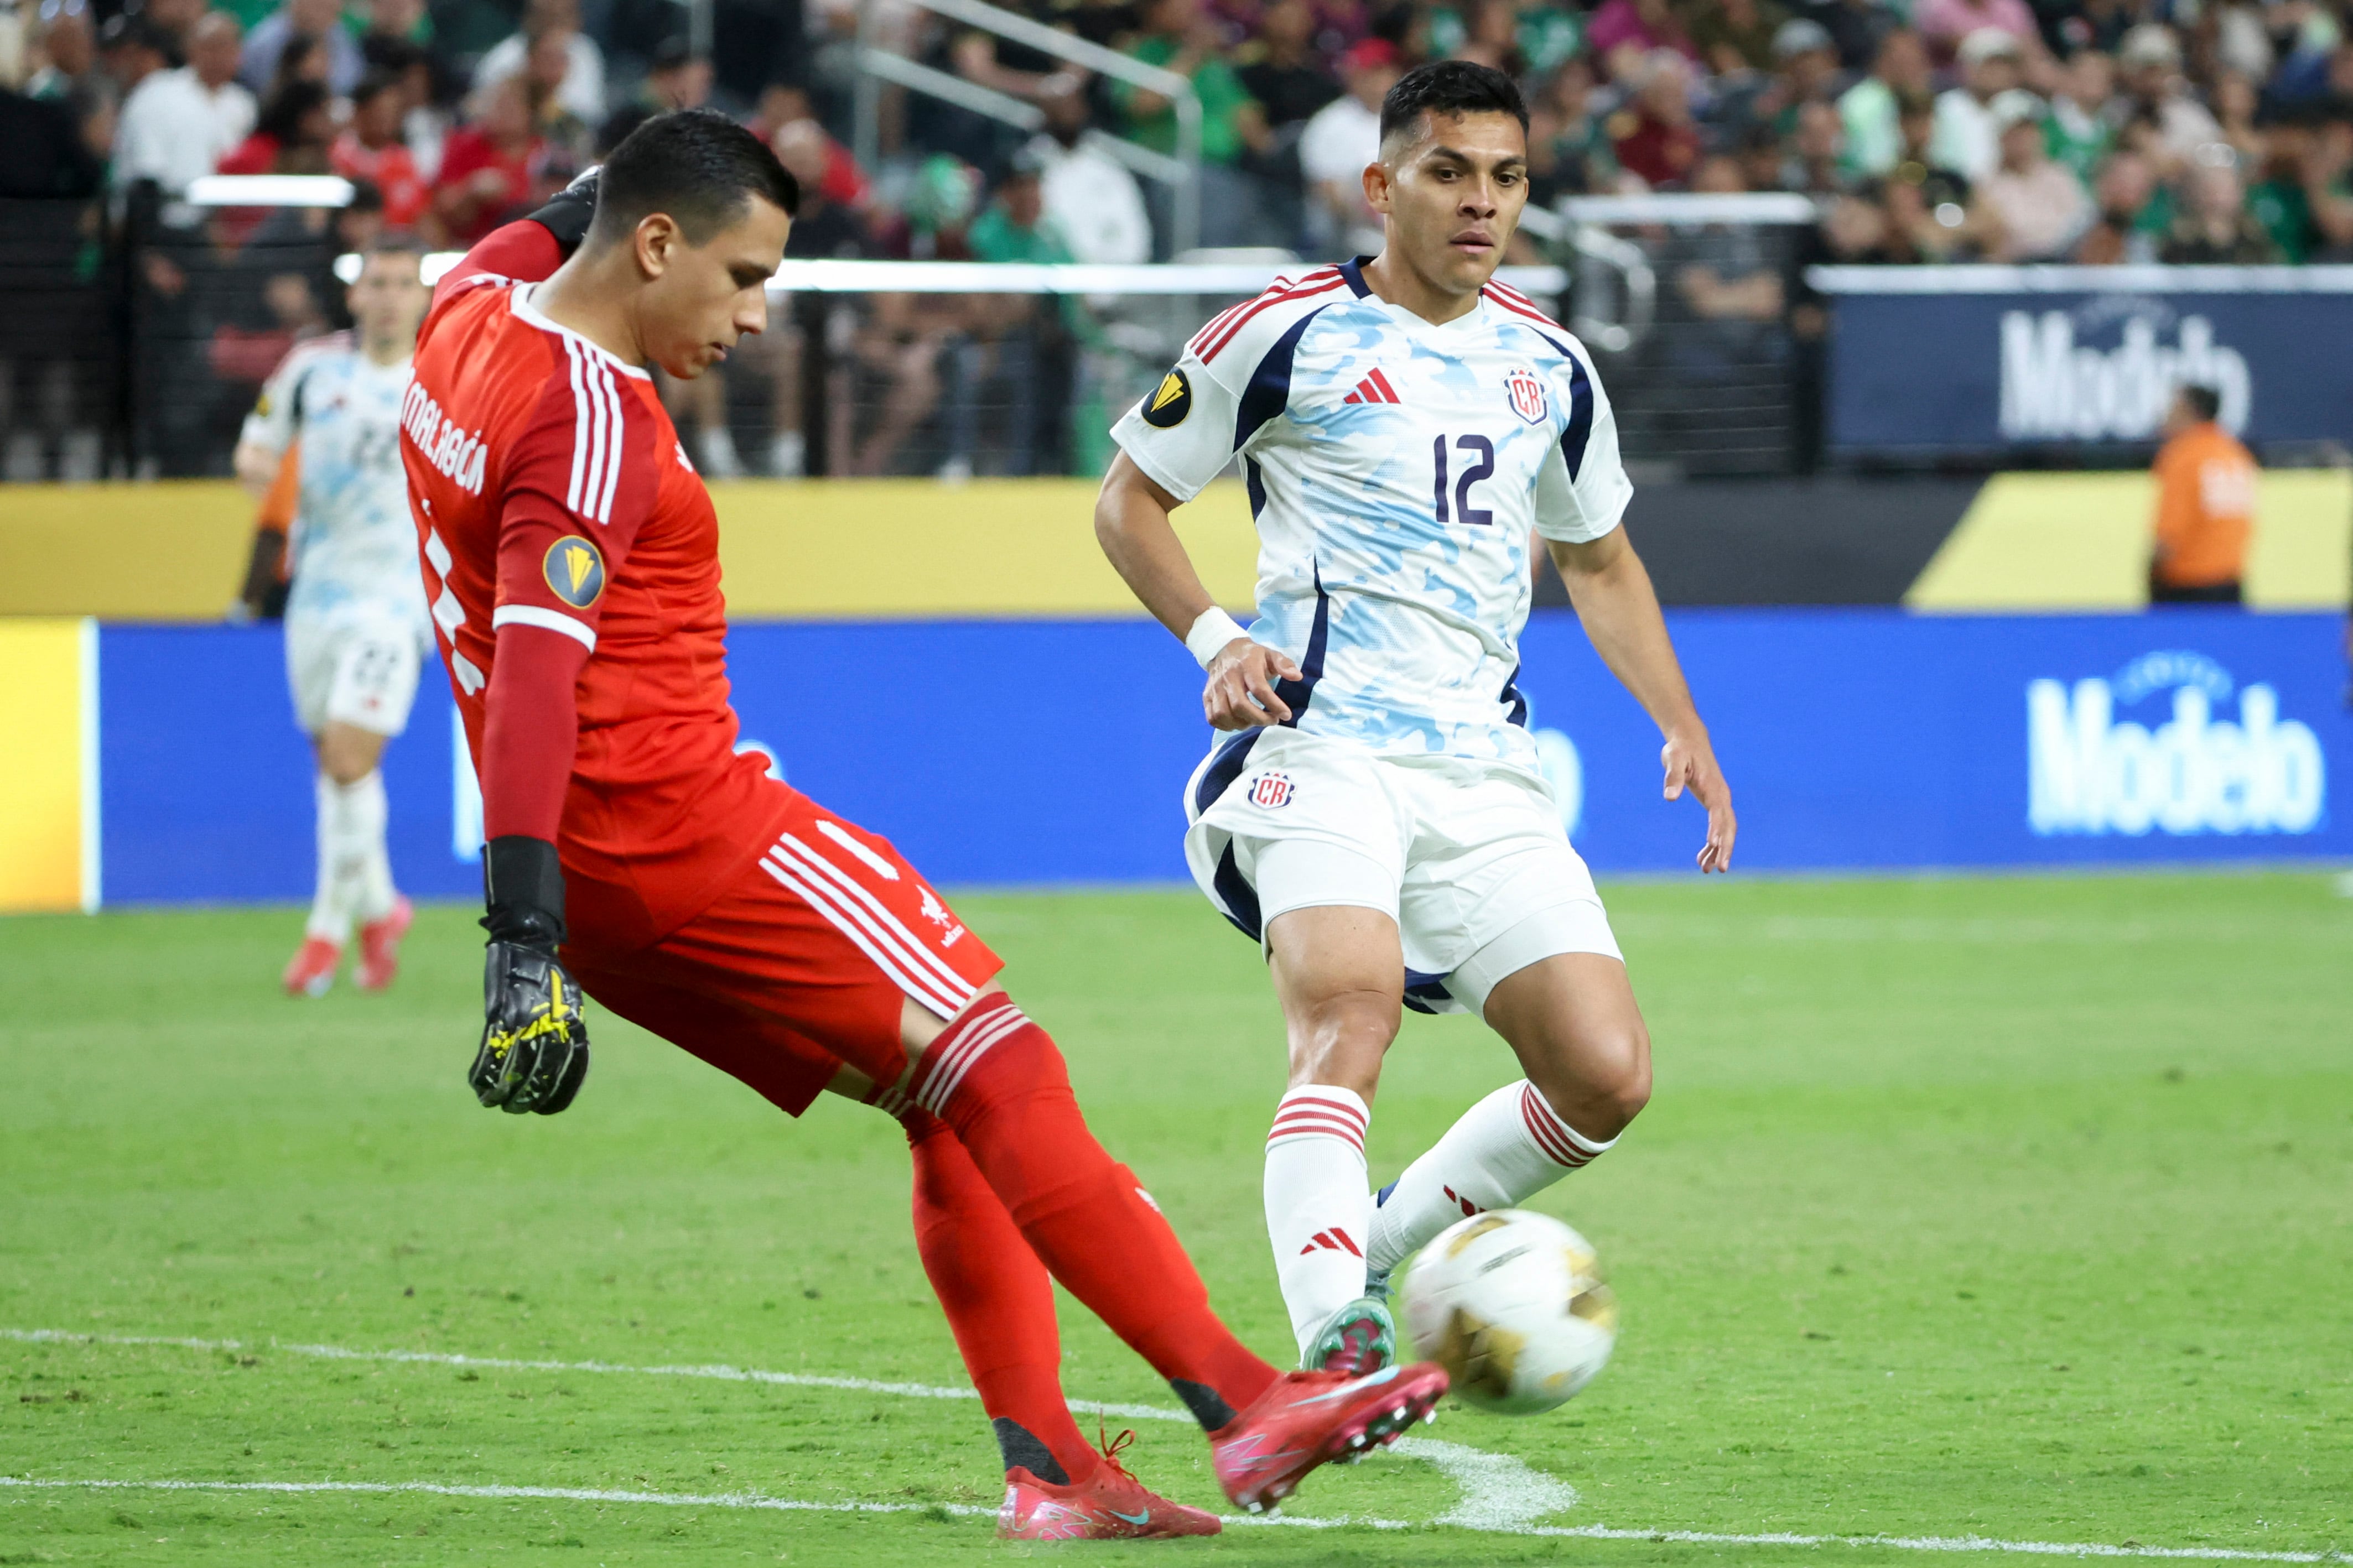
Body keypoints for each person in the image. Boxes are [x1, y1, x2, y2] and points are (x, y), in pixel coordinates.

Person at [398, 108, 1448, 1537]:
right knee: (1003, 1066)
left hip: (601, 884)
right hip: (684, 832)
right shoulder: (588, 411)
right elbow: (534, 675)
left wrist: (545, 923)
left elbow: (555, 216)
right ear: (654, 246)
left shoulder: (460, 312)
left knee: (945, 1112)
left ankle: (1051, 1472)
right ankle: (1248, 1403)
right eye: (744, 274)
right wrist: (517, 944)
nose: (758, 317)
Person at [1093, 61, 1734, 1378]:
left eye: (1504, 177)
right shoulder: (1277, 334)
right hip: (1320, 742)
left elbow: (1599, 560)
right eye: (1448, 172)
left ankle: (1374, 1257)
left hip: (1480, 772)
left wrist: (1681, 725)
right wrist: (1216, 641)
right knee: (1348, 1011)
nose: (1479, 202)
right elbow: (1127, 501)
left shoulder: (1548, 364)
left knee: (1605, 1073)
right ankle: (1335, 1345)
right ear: (1381, 185)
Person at [232, 238, 431, 997]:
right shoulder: (311, 370)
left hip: (400, 602)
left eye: (400, 283)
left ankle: (323, 934)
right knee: (335, 765)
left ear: (421, 297)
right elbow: (254, 455)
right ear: (355, 296)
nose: (386, 296)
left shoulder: (441, 380)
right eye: (374, 282)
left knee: (351, 757)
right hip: (316, 594)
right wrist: (279, 491)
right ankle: (382, 911)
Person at [111, 10, 254, 197]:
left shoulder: (243, 104)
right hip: (159, 209)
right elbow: (145, 169)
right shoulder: (157, 91)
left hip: (217, 215)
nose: (219, 56)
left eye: (228, 48)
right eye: (211, 46)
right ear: (191, 49)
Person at [2148, 383, 2256, 605]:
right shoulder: (2235, 453)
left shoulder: (2184, 456)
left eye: (2172, 408)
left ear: (2189, 412)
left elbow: (2170, 535)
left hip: (2188, 587)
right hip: (2231, 582)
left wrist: (2151, 577)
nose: (2165, 415)